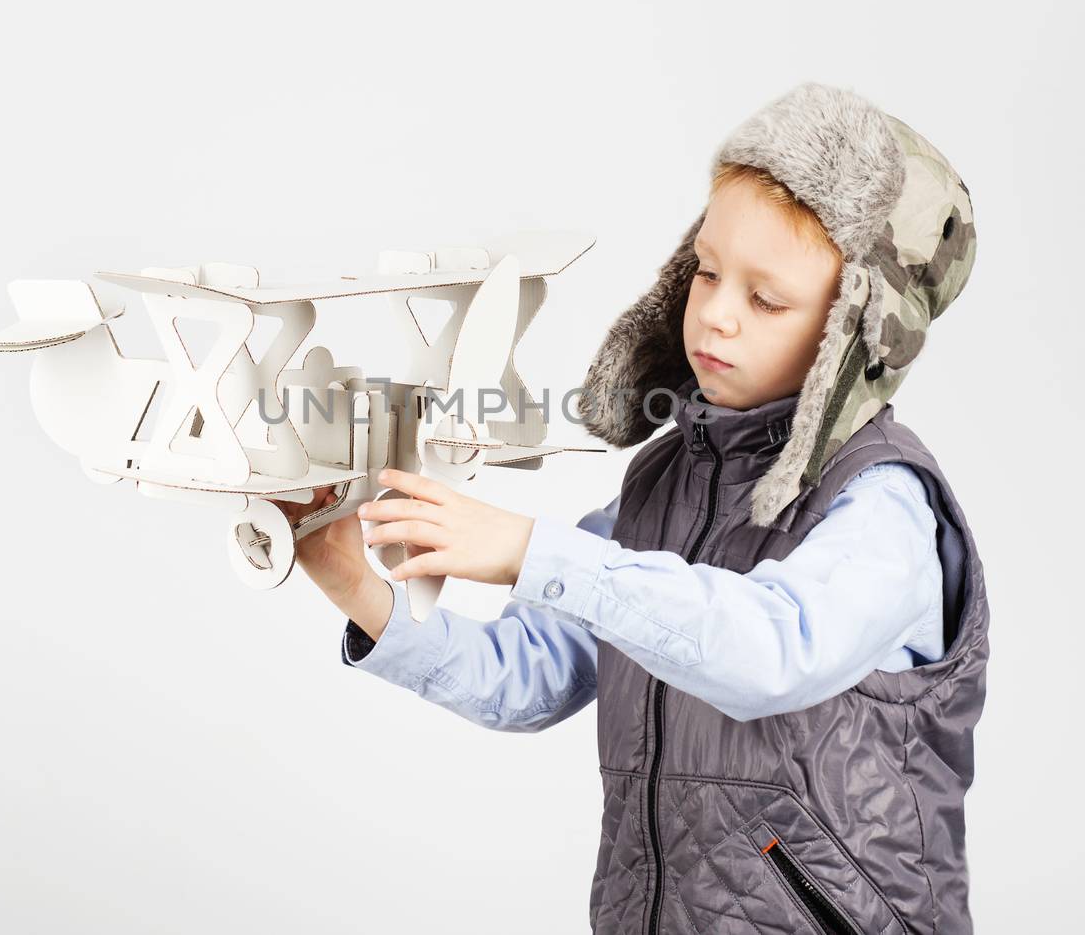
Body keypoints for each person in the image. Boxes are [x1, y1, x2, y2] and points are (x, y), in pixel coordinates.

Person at [282, 82, 987, 934]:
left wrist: (531, 552)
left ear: (855, 332)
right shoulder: (660, 487)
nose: (717, 314)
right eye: (708, 271)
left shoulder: (886, 506)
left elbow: (772, 650)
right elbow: (529, 675)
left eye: (766, 299)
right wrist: (357, 583)